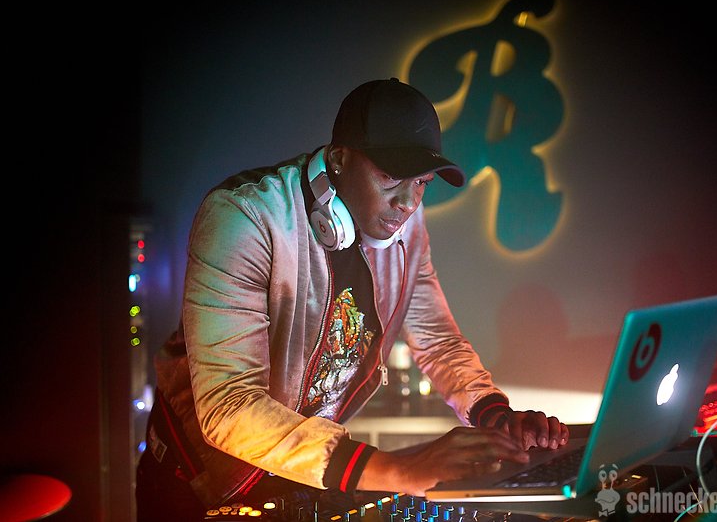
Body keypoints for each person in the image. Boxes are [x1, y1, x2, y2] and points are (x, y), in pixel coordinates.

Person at [135, 77, 569, 519]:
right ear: (340, 158)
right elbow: (229, 406)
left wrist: (496, 417)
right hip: (200, 480)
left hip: (306, 468)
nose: (408, 203)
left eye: (421, 182)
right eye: (390, 176)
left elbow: (437, 340)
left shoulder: (407, 227)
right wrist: (398, 471)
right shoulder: (245, 217)